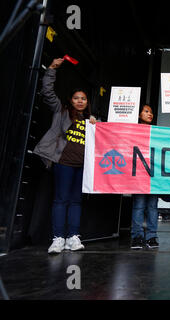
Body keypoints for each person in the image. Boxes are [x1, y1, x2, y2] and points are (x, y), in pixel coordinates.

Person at [34, 58, 96, 254]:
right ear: (71, 100)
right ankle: (58, 238)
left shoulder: (90, 120)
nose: (80, 101)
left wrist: (95, 124)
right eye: (77, 98)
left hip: (82, 166)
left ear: (87, 103)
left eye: (83, 99)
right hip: (63, 163)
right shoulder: (61, 111)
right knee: (61, 199)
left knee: (76, 200)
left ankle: (73, 237)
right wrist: (52, 68)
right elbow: (47, 92)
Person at [130, 105, 160, 250]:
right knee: (139, 206)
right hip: (139, 175)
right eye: (146, 111)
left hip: (153, 175)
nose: (150, 114)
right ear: (138, 114)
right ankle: (137, 237)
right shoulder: (132, 130)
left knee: (152, 207)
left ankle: (152, 237)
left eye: (151, 112)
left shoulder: (156, 132)